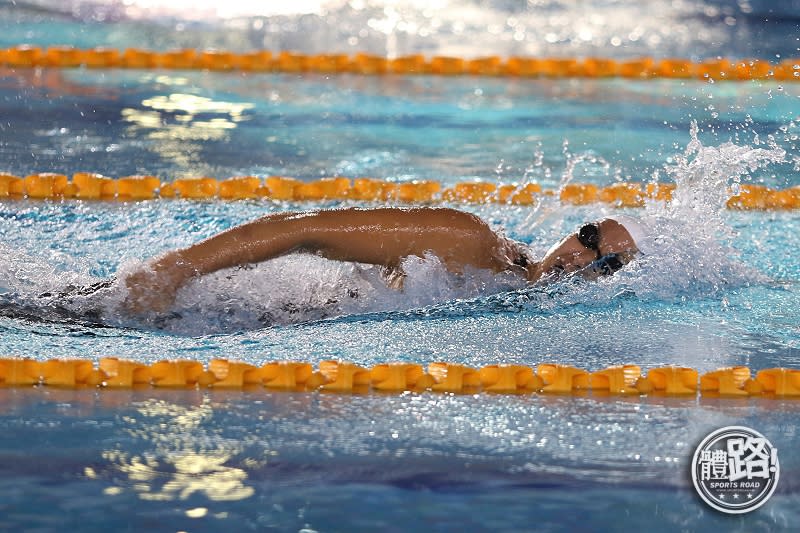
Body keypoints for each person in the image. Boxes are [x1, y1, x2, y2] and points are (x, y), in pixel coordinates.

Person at [122, 206, 644, 314]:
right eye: (590, 237)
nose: (583, 260)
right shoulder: (465, 239)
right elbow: (301, 231)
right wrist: (172, 271)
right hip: (233, 316)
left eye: (608, 265)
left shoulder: (515, 297)